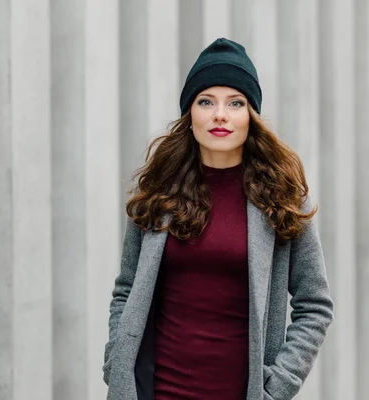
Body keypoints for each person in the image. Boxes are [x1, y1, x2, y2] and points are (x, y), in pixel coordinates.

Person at [102, 38, 333, 400]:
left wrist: (280, 385)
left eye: (235, 103)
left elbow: (314, 306)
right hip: (157, 392)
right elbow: (126, 289)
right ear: (190, 114)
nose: (220, 115)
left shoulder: (283, 200)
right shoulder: (158, 194)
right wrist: (116, 360)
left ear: (250, 116)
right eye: (206, 101)